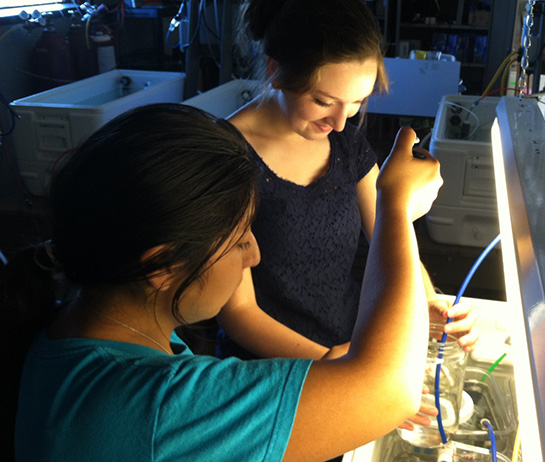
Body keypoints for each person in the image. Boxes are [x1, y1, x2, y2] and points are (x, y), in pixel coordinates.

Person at [3, 102, 443, 461]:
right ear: (161, 267)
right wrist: (396, 204)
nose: (254, 253)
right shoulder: (155, 405)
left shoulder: (69, 332)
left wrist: (332, 375)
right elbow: (390, 393)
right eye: (239, 240)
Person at [217, 0, 478, 362]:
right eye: (323, 101)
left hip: (351, 343)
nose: (340, 122)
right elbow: (239, 314)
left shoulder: (346, 144)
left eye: (356, 101)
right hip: (269, 373)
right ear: (276, 70)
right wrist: (341, 370)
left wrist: (428, 302)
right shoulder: (224, 155)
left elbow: (390, 238)